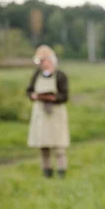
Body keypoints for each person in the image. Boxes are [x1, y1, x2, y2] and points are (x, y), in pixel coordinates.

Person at [26, 45, 70, 178]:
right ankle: (47, 172)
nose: (42, 64)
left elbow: (65, 96)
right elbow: (29, 90)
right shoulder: (36, 75)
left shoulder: (60, 75)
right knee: (43, 145)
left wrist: (53, 98)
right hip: (41, 114)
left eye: (43, 61)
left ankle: (61, 172)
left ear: (50, 60)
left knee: (59, 146)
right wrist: (33, 96)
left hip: (56, 114)